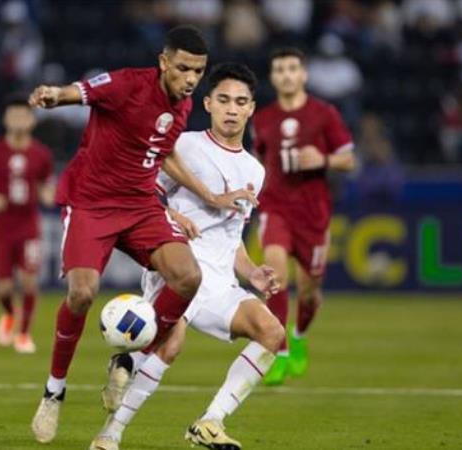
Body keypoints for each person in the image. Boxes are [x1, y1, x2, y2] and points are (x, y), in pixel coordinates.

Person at [27, 26, 256, 443]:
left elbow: (163, 155)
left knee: (187, 276)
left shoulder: (183, 105)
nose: (191, 78)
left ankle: (130, 362)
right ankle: (54, 391)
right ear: (164, 62)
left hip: (139, 205)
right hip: (92, 204)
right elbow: (83, 91)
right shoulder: (128, 84)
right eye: (183, 68)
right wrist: (54, 95)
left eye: (198, 71)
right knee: (82, 294)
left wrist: (207, 196)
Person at [90, 62, 283, 450]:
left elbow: (232, 237)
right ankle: (110, 435)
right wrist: (174, 216)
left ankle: (209, 422)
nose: (231, 109)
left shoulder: (255, 170)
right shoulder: (184, 146)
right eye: (224, 100)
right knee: (171, 343)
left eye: (240, 102)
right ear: (208, 104)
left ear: (251, 109)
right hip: (176, 265)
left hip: (219, 282)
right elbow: (143, 192)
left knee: (272, 333)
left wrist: (251, 273)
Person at [253, 47, 355, 386]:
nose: (286, 75)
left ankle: (298, 336)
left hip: (313, 213)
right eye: (280, 69)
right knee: (275, 272)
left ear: (304, 74)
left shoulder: (324, 113)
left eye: (292, 68)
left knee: (310, 291)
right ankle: (279, 351)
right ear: (273, 77)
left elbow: (348, 159)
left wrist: (323, 159)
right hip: (275, 207)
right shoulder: (262, 118)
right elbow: (257, 160)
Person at [0, 94, 55, 354]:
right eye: (14, 115)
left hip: (29, 224)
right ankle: (9, 314)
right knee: (3, 288)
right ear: (6, 119)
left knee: (29, 281)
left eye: (23, 115)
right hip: (1, 225)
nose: (18, 120)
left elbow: (46, 184)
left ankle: (24, 334)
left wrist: (48, 195)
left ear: (32, 120)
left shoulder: (41, 154)